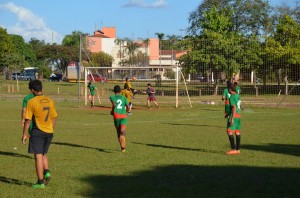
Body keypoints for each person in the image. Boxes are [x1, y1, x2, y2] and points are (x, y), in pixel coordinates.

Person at [22, 80, 58, 188]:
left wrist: (24, 134)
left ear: (32, 90)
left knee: (38, 156)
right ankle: (46, 171)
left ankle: (40, 182)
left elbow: (28, 120)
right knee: (43, 154)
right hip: (49, 132)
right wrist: (50, 128)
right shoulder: (50, 100)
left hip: (37, 132)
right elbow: (54, 117)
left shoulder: (31, 102)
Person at [110, 85, 130, 152]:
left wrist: (112, 111)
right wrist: (127, 112)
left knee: (118, 132)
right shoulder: (123, 97)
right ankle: (123, 146)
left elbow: (114, 105)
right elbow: (128, 106)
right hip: (123, 116)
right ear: (120, 91)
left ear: (114, 91)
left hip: (116, 116)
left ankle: (122, 148)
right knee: (122, 131)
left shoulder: (112, 97)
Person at [226, 83, 241, 155]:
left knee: (229, 131)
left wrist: (232, 118)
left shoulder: (231, 97)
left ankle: (233, 149)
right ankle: (238, 149)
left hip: (234, 116)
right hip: (238, 116)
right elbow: (238, 105)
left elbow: (234, 107)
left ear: (229, 89)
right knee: (237, 132)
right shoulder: (237, 95)